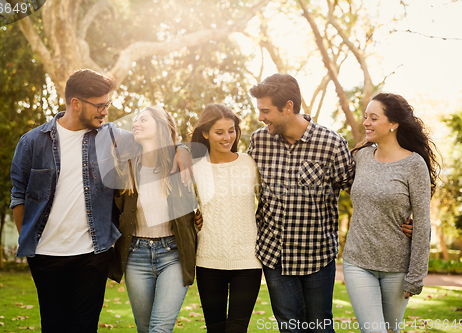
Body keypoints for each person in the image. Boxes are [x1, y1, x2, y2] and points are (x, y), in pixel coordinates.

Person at [10, 69, 120, 332]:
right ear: (76, 103)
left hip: (92, 254)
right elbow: (19, 196)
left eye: (107, 104)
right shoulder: (32, 142)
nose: (105, 111)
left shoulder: (110, 138)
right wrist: (32, 244)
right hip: (46, 255)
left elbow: (154, 141)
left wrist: (183, 150)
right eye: (100, 105)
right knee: (53, 325)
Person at [246, 73, 354, 333]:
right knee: (289, 328)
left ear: (288, 107)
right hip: (275, 255)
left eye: (265, 110)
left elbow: (358, 193)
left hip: (317, 256)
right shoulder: (259, 141)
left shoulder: (331, 144)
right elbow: (241, 185)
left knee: (320, 327)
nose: (261, 117)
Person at [342, 92, 439, 333]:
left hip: (397, 267)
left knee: (390, 330)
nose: (366, 122)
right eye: (366, 117)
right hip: (358, 261)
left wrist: (416, 276)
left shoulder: (414, 165)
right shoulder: (360, 157)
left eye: (373, 118)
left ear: (393, 123)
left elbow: (423, 224)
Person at [108, 106, 197, 333]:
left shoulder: (179, 162)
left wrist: (182, 148)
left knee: (160, 327)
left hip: (173, 254)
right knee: (145, 328)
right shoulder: (126, 167)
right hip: (136, 256)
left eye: (143, 120)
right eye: (134, 121)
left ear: (161, 126)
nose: (136, 124)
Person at [190, 104, 262, 333]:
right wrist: (194, 218)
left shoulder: (249, 163)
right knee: (215, 329)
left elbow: (268, 202)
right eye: (219, 132)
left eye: (231, 130)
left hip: (247, 260)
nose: (227, 137)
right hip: (208, 260)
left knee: (237, 329)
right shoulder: (194, 168)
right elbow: (184, 209)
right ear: (205, 133)